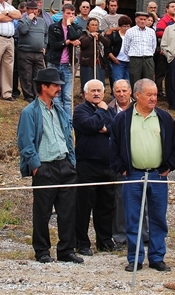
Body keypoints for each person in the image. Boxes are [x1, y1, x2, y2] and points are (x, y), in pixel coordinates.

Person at [109, 79, 175, 272]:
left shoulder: (164, 118)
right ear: (137, 95)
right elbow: (113, 146)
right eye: (149, 94)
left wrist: (169, 167)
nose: (153, 98)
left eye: (155, 94)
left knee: (158, 219)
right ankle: (135, 259)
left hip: (158, 176)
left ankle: (157, 257)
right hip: (133, 175)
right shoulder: (122, 119)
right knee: (133, 218)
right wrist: (122, 168)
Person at [16, 68, 83, 264]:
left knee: (68, 212)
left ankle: (66, 250)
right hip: (45, 167)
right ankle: (42, 250)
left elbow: (67, 137)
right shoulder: (29, 112)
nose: (59, 88)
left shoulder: (59, 109)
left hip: (65, 166)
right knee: (42, 213)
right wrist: (37, 167)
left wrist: (72, 162)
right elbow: (25, 143)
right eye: (55, 85)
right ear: (43, 87)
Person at [73, 79, 118, 255]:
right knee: (83, 206)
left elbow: (116, 128)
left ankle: (105, 241)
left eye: (100, 90)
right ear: (85, 94)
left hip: (108, 166)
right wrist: (101, 114)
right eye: (93, 91)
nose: (97, 93)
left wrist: (105, 128)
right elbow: (89, 125)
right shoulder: (80, 110)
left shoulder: (111, 110)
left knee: (106, 205)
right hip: (87, 165)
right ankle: (82, 243)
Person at [108, 79, 133, 247]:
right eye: (118, 91)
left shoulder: (142, 106)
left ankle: (143, 235)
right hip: (118, 160)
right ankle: (120, 236)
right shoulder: (108, 109)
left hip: (140, 159)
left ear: (130, 91)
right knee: (119, 199)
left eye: (124, 90)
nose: (121, 94)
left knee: (143, 197)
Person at [46, 4, 83, 115]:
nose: (70, 16)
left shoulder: (77, 27)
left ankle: (67, 120)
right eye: (68, 13)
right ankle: (57, 117)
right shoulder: (54, 27)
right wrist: (67, 42)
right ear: (63, 13)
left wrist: (68, 25)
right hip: (54, 63)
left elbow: (73, 37)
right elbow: (53, 45)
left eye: (72, 14)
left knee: (67, 96)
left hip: (68, 64)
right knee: (55, 95)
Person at [16, 0, 47, 103]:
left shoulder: (42, 22)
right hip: (25, 52)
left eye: (35, 9)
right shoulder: (22, 21)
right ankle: (28, 96)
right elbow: (23, 30)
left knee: (38, 75)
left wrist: (44, 45)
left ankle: (37, 94)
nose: (34, 11)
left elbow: (46, 34)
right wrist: (29, 19)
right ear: (27, 10)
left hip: (39, 52)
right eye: (31, 9)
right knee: (26, 75)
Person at [124, 12, 158, 85]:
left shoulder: (151, 32)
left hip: (148, 59)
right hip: (135, 60)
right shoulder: (130, 31)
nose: (143, 21)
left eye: (145, 19)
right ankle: (134, 96)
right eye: (141, 19)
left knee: (149, 81)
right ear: (136, 20)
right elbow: (126, 48)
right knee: (135, 81)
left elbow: (153, 46)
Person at [78, 18, 111, 90]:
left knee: (99, 83)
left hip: (99, 63)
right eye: (92, 25)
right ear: (88, 26)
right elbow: (83, 44)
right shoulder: (84, 34)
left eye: (96, 25)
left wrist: (99, 37)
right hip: (87, 63)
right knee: (87, 84)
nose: (94, 27)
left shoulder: (101, 34)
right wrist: (90, 36)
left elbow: (107, 43)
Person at [108, 15, 132, 84]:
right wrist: (113, 58)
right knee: (117, 81)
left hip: (129, 61)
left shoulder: (132, 35)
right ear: (120, 26)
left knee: (128, 82)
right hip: (118, 61)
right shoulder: (114, 35)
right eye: (124, 26)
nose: (126, 28)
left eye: (128, 26)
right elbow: (108, 48)